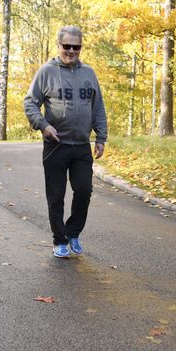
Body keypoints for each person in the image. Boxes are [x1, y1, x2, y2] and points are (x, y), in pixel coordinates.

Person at [24, 25, 108, 259]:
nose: (71, 50)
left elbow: (97, 106)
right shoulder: (47, 71)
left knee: (84, 190)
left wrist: (101, 136)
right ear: (59, 45)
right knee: (56, 195)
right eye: (66, 46)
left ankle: (73, 233)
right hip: (56, 145)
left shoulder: (89, 73)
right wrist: (43, 125)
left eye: (76, 47)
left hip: (81, 146)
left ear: (81, 47)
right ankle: (59, 240)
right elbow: (30, 102)